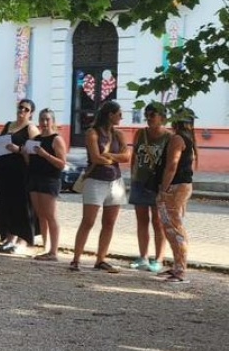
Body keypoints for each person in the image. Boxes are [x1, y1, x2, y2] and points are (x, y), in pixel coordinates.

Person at [70, 101, 130, 273]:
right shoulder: (92, 132)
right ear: (110, 114)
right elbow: (96, 158)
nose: (121, 117)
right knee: (88, 221)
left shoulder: (119, 134)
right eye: (119, 113)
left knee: (109, 222)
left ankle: (101, 259)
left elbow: (126, 156)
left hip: (115, 181)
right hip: (95, 181)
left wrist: (110, 156)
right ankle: (76, 259)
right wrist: (114, 157)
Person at [0, 99, 40, 253]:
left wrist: (18, 149)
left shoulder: (31, 129)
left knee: (21, 206)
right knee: (6, 204)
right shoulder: (8, 125)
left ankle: (23, 240)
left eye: (26, 109)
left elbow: (35, 151)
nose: (22, 111)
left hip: (20, 173)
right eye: (20, 108)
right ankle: (9, 237)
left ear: (31, 113)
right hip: (4, 171)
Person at [156, 111, 197, 284]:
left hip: (175, 187)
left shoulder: (177, 139)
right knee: (172, 227)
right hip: (184, 185)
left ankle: (180, 270)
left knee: (174, 228)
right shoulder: (190, 139)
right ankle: (177, 266)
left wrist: (163, 189)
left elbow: (172, 165)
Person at [128, 102, 169, 273]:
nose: (149, 118)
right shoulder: (140, 134)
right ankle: (143, 256)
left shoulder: (169, 137)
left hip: (158, 184)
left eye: (153, 114)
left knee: (158, 221)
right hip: (140, 181)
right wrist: (133, 175)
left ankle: (159, 258)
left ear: (162, 117)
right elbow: (135, 156)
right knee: (142, 220)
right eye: (148, 114)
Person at [23, 108, 68, 261]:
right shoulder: (34, 140)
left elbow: (62, 164)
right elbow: (30, 162)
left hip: (50, 180)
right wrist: (26, 154)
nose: (44, 122)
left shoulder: (57, 139)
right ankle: (45, 247)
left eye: (47, 119)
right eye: (42, 119)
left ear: (53, 121)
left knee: (51, 215)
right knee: (40, 215)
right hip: (34, 178)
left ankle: (54, 251)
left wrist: (45, 154)